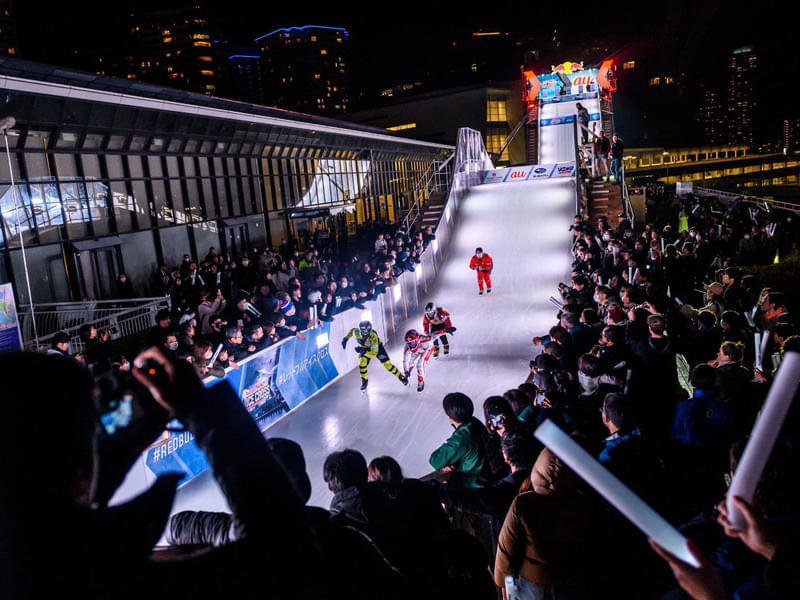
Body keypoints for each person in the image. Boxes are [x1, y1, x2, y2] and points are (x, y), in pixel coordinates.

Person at [429, 392, 489, 488]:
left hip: (476, 483)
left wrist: (454, 464)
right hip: (486, 472)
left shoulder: (460, 440)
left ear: (449, 417)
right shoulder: (475, 422)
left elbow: (436, 460)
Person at [342, 321, 408, 391]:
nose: (364, 332)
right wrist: (345, 339)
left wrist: (363, 351)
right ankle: (364, 380)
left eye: (366, 330)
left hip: (377, 349)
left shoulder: (373, 336)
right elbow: (352, 330)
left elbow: (373, 354)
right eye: (362, 330)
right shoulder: (357, 333)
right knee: (362, 362)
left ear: (370, 329)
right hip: (365, 349)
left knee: (388, 365)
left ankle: (400, 376)